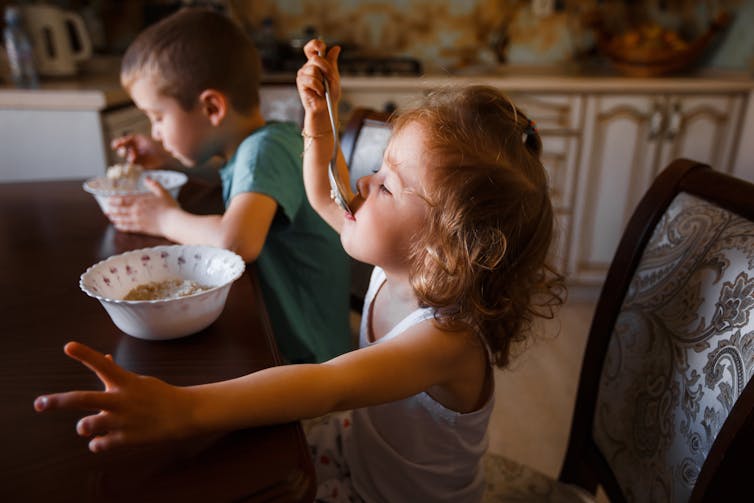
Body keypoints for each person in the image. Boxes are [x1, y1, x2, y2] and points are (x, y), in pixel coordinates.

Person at [34, 39, 565, 502]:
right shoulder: (402, 263)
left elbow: (328, 385)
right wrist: (319, 117)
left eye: (386, 185)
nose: (360, 183)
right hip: (359, 459)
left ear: (446, 246)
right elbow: (321, 192)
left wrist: (183, 409)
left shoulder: (445, 341)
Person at [104, 9, 350, 364]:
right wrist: (166, 154)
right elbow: (228, 174)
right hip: (287, 351)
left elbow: (237, 241)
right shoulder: (260, 145)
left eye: (158, 118)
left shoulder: (264, 151)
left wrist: (162, 219)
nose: (155, 131)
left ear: (211, 107)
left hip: (310, 370)